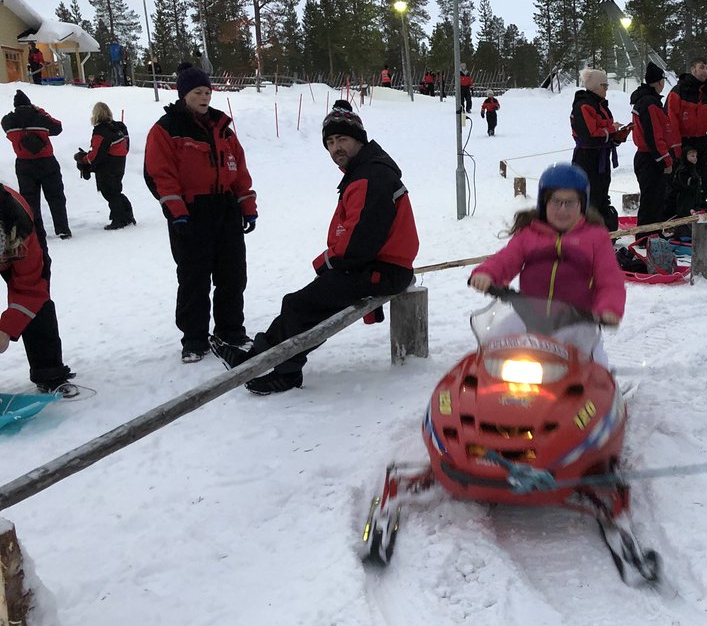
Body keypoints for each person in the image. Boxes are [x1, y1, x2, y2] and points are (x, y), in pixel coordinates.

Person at [209, 100, 419, 395]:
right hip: (375, 266)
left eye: (342, 139)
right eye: (331, 142)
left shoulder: (371, 176)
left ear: (358, 140)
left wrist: (330, 262)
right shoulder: (365, 172)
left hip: (382, 270)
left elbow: (359, 242)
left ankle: (272, 366)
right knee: (305, 304)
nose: (336, 148)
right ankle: (266, 359)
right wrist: (332, 262)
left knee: (301, 305)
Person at [144, 63, 258, 363]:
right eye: (198, 92)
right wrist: (176, 210)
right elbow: (160, 173)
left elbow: (239, 170)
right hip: (192, 212)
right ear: (184, 95)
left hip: (225, 208)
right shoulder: (166, 129)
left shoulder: (222, 128)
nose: (205, 97)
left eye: (208, 91)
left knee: (232, 274)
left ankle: (230, 330)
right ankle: (194, 339)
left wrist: (247, 205)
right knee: (194, 278)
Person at [467, 163, 624, 366]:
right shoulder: (530, 234)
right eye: (556, 201)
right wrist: (487, 273)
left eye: (570, 203)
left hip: (577, 321)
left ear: (582, 204)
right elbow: (506, 258)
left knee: (594, 367)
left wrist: (609, 308)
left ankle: (605, 392)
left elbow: (610, 279)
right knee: (494, 345)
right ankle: (485, 392)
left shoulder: (595, 238)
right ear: (543, 202)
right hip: (529, 315)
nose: (562, 209)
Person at [0, 184, 78, 395]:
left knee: (37, 305)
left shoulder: (19, 228)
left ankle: (49, 373)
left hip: (18, 246)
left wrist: (6, 330)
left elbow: (30, 288)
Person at [2, 91, 72, 240]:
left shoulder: (8, 121)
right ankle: (62, 229)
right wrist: (40, 111)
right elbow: (57, 127)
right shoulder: (40, 118)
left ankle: (36, 232)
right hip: (47, 162)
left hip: (24, 164)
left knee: (30, 200)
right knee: (56, 197)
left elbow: (9, 134)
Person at [570, 68, 630, 232]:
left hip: (601, 158)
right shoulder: (584, 106)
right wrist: (611, 130)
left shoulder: (600, 105)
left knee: (601, 194)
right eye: (604, 85)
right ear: (595, 86)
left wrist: (618, 136)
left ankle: (602, 229)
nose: (606, 89)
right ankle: (586, 232)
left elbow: (603, 135)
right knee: (588, 196)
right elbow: (590, 136)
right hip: (587, 159)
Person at [666, 56, 707, 204]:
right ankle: (679, 212)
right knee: (682, 180)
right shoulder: (678, 91)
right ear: (693, 70)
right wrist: (676, 147)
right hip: (684, 142)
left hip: (702, 142)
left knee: (704, 182)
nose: (705, 71)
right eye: (702, 67)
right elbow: (672, 121)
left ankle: (698, 207)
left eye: (706, 68)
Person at [630, 61, 679, 230]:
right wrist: (665, 160)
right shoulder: (649, 103)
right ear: (659, 82)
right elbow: (653, 135)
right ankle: (645, 236)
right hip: (650, 158)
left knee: (656, 198)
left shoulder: (650, 101)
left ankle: (653, 233)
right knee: (651, 199)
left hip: (650, 156)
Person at [81, 102, 135, 230]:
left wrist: (84, 159)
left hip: (108, 165)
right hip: (120, 162)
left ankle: (119, 219)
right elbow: (125, 144)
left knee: (109, 192)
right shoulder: (118, 127)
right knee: (116, 190)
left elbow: (96, 153)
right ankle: (127, 215)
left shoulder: (101, 131)